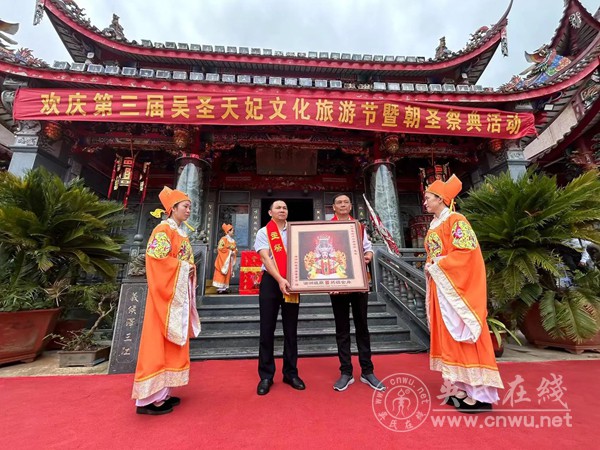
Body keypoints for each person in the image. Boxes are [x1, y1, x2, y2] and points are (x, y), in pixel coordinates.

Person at [423, 175, 503, 413]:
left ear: (440, 199)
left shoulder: (457, 220)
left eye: (428, 198)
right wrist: (432, 266)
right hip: (442, 287)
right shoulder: (435, 225)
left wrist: (437, 263)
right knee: (448, 336)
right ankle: (460, 387)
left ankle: (479, 392)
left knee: (464, 334)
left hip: (457, 288)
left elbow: (467, 254)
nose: (424, 202)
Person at [132, 186, 201, 415]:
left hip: (175, 296)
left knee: (171, 343)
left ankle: (163, 393)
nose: (189, 210)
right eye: (185, 207)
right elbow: (157, 260)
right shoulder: (163, 230)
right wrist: (184, 268)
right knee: (157, 343)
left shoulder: (179, 232)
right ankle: (149, 398)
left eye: (190, 206)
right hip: (164, 297)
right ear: (172, 209)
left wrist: (188, 269)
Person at [329, 194, 385, 392]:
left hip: (359, 281)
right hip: (337, 282)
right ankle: (346, 372)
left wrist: (369, 255)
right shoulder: (327, 228)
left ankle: (367, 371)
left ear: (351, 206)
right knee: (342, 328)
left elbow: (367, 248)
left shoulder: (358, 226)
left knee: (362, 326)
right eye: (339, 203)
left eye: (346, 202)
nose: (343, 205)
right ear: (333, 207)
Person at [254, 200, 305, 395]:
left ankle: (291, 373)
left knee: (291, 330)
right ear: (270, 212)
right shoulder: (264, 232)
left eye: (285, 207)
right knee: (267, 329)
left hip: (293, 282)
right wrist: (279, 279)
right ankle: (266, 376)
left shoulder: (296, 231)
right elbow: (266, 258)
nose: (282, 210)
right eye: (278, 207)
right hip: (271, 282)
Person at [212, 223, 238, 293]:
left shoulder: (233, 241)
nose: (233, 232)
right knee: (221, 273)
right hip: (223, 259)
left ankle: (224, 288)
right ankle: (220, 288)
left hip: (229, 259)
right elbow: (220, 248)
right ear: (228, 231)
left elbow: (235, 249)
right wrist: (229, 252)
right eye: (232, 231)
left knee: (228, 273)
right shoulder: (223, 239)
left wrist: (234, 252)